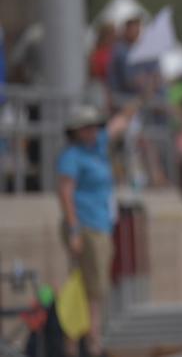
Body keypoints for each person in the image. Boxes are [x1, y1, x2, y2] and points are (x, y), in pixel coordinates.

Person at [56, 100, 139, 357]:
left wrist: (140, 96)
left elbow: (120, 122)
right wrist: (74, 230)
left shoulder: (97, 148)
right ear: (76, 131)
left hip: (100, 225)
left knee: (96, 289)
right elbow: (65, 193)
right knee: (86, 289)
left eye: (94, 126)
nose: (92, 131)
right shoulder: (72, 156)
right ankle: (86, 346)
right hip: (85, 227)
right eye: (86, 127)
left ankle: (92, 343)